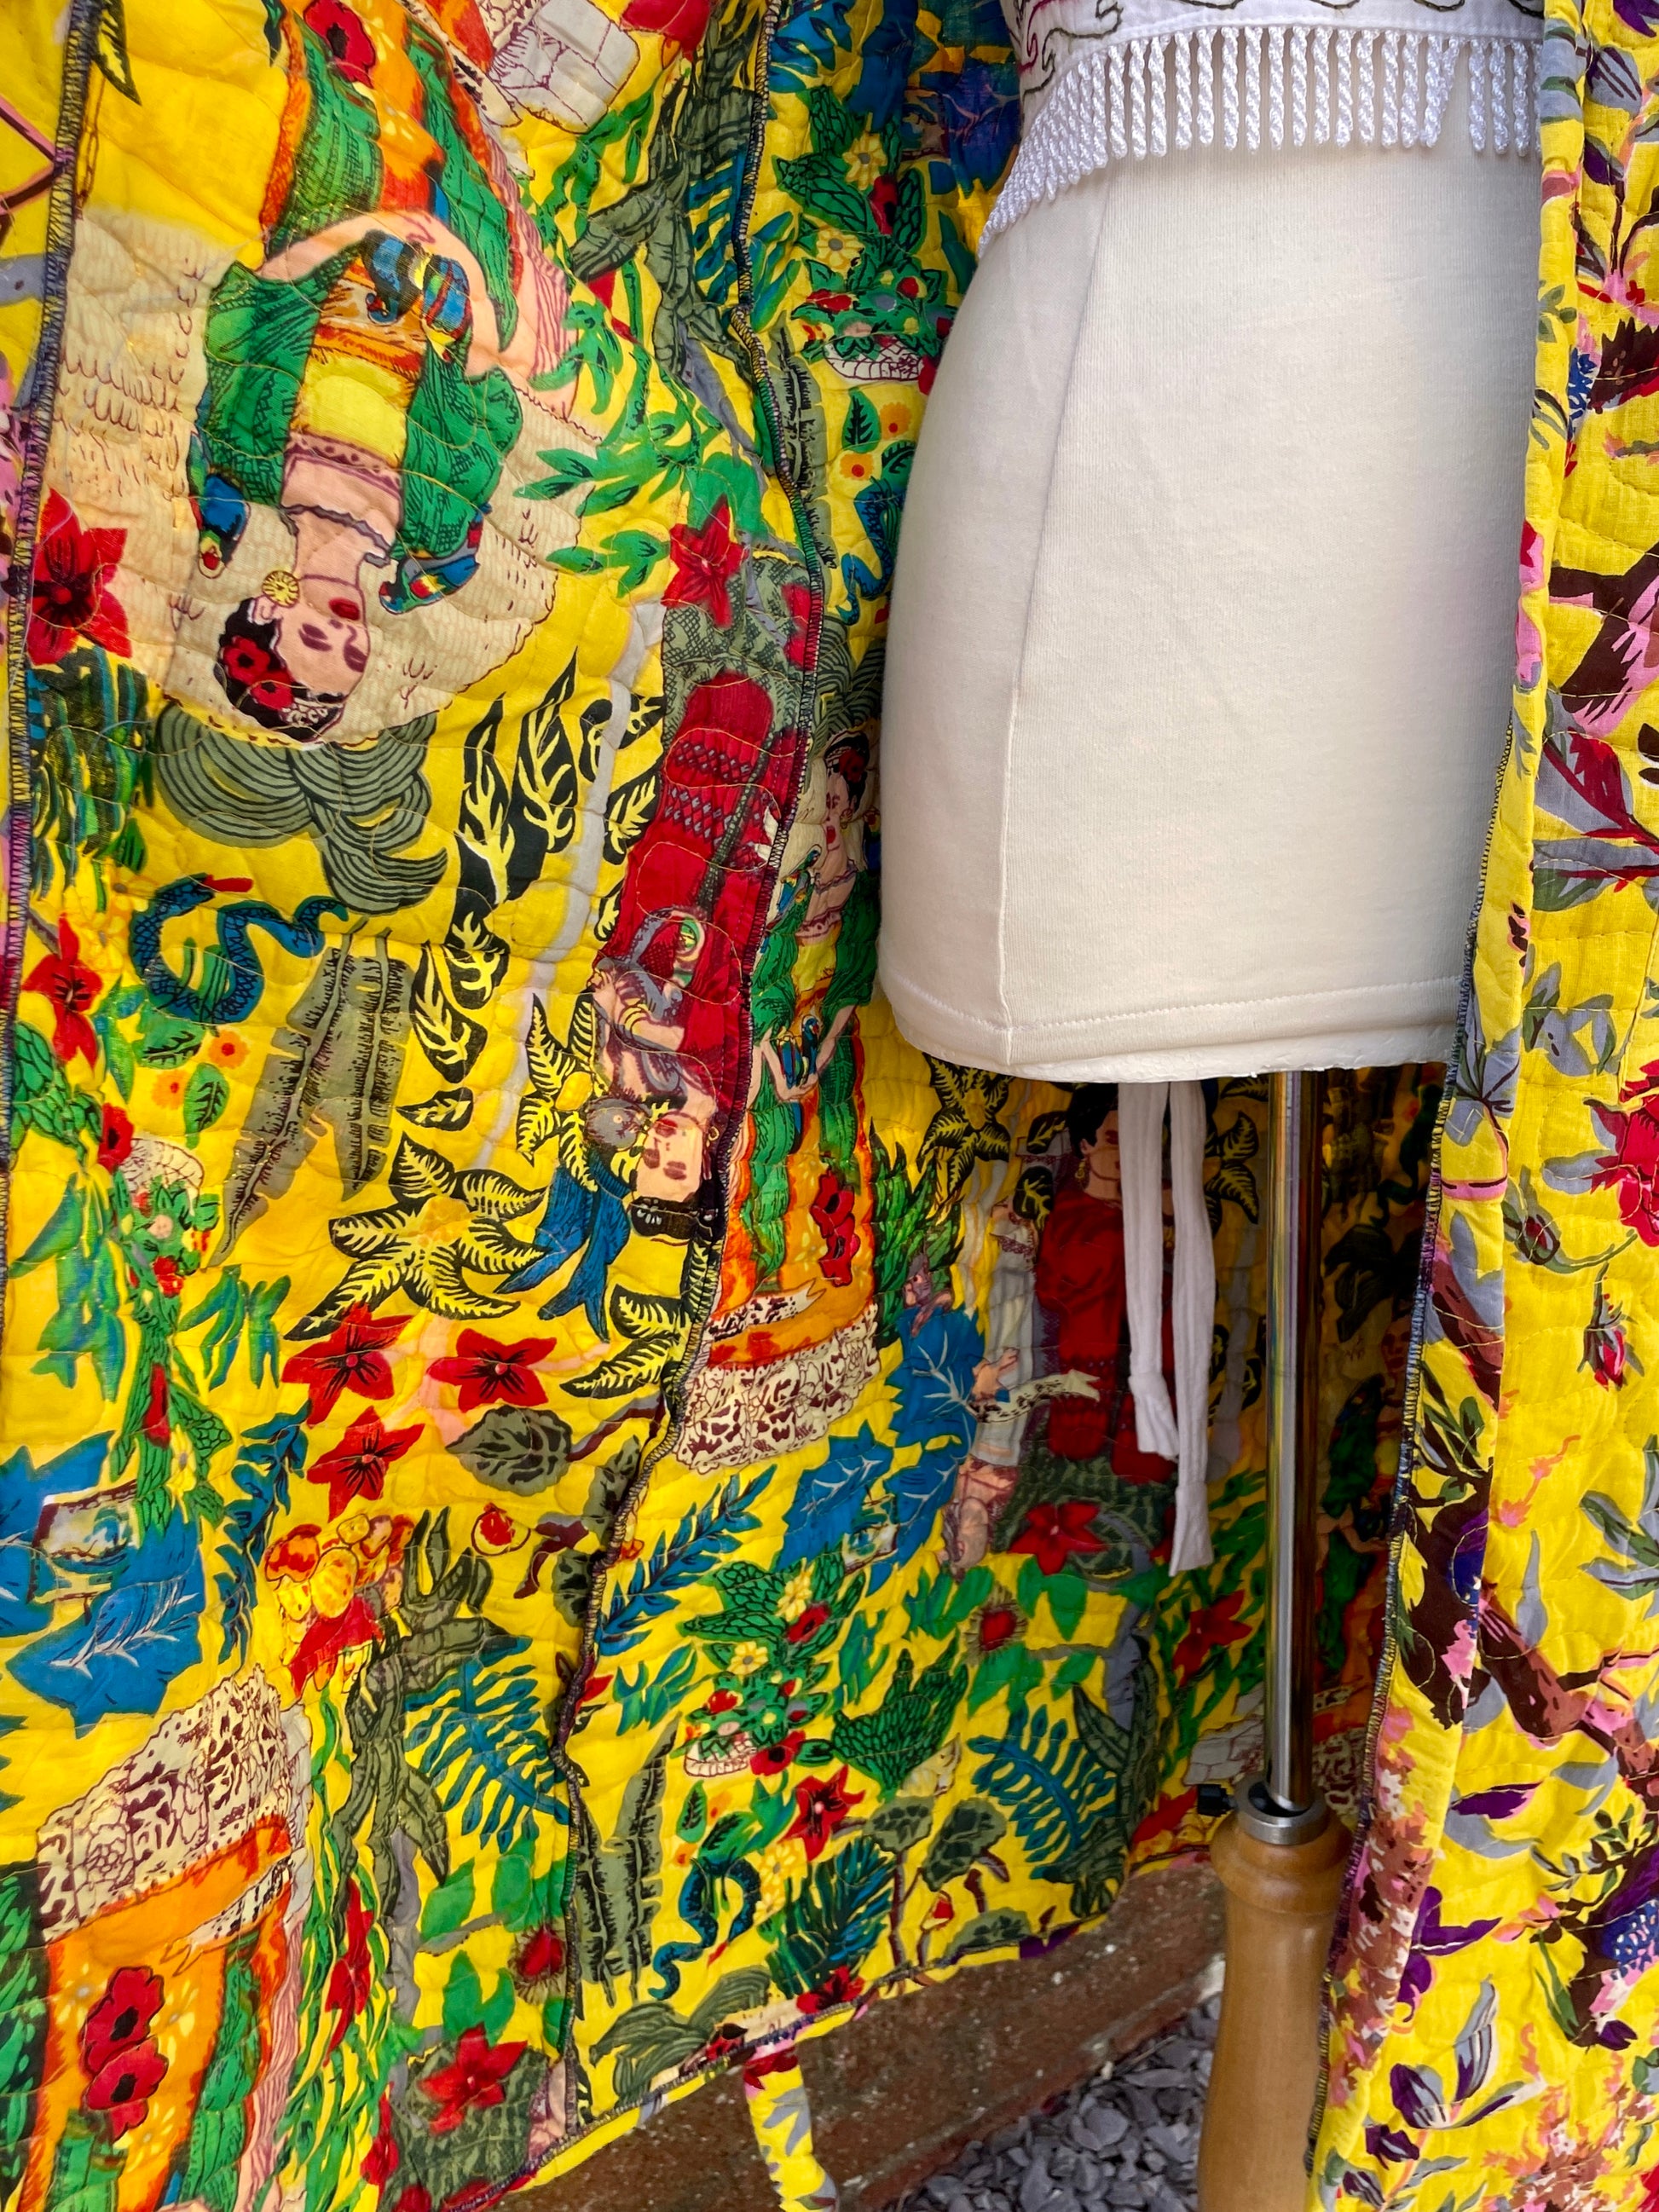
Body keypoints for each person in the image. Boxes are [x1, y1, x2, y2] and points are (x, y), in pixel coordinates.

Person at [188, 0, 569, 739]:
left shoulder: (247, 456)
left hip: (344, 223)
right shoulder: (433, 524)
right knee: (453, 152)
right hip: (456, 259)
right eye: (354, 651)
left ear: (267, 607)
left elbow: (250, 301)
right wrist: (459, 293)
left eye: (315, 637)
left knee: (352, 107)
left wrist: (365, 228)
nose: (344, 630)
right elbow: (490, 396)